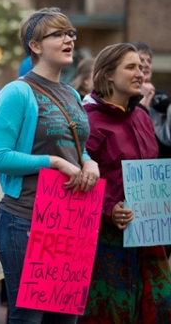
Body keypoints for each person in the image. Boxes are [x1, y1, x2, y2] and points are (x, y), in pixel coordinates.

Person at [0, 7, 99, 323]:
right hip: (24, 221)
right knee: (29, 318)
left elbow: (80, 149)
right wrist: (53, 163)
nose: (69, 40)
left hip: (70, 219)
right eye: (58, 34)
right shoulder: (16, 92)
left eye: (71, 34)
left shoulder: (73, 95)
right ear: (35, 46)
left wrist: (90, 164)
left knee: (65, 318)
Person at [80, 43, 171, 323]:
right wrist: (110, 210)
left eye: (141, 67)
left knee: (159, 310)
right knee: (113, 315)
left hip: (147, 236)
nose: (140, 72)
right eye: (130, 67)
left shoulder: (142, 118)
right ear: (108, 74)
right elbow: (75, 178)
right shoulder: (89, 122)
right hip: (106, 239)